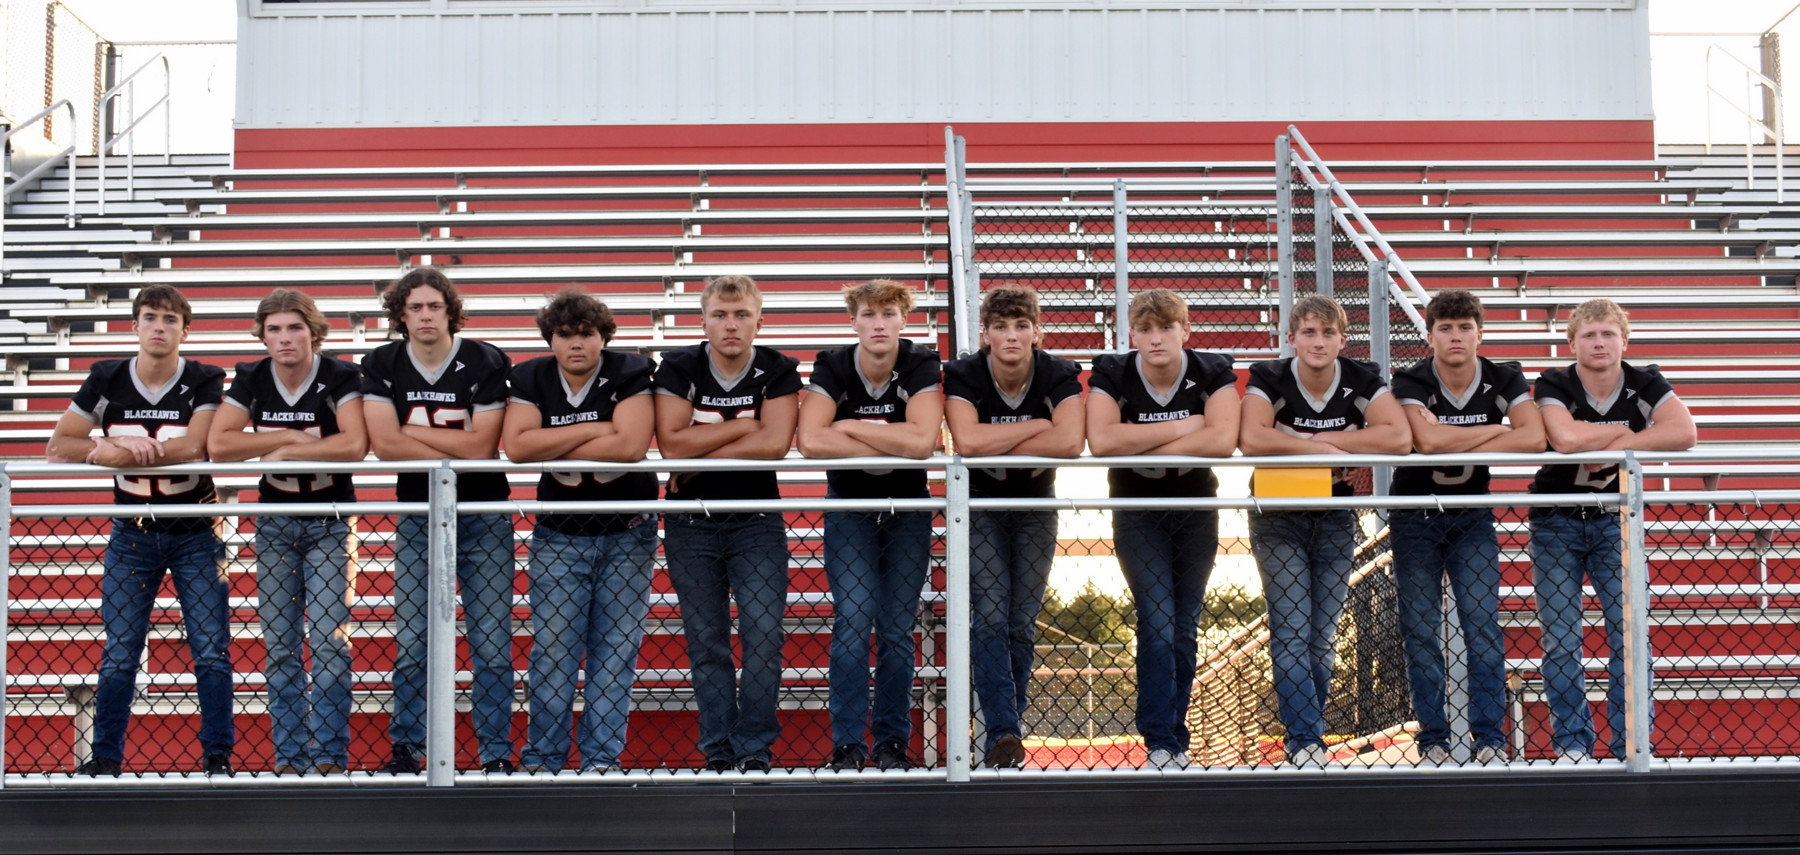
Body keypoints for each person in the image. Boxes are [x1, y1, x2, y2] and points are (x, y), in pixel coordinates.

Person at [48, 284, 235, 777]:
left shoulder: (204, 378)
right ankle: (105, 757)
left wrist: (117, 448)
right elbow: (58, 445)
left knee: (211, 651)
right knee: (120, 653)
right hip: (132, 533)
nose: (159, 326)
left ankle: (219, 756)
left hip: (196, 529)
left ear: (184, 330)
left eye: (170, 319)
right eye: (150, 317)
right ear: (134, 325)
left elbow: (199, 446)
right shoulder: (107, 377)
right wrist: (104, 443)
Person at [1239, 293, 1411, 767]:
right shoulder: (1269, 376)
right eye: (1308, 332)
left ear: (1342, 340)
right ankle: (1305, 740)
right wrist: (1336, 449)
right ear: (1291, 338)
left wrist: (1318, 441)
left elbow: (1397, 436)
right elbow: (1252, 437)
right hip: (1278, 511)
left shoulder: (1361, 378)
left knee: (1321, 635)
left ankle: (1306, 732)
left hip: (1335, 511)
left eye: (1328, 333)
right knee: (1292, 630)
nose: (1318, 342)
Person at [361, 266, 517, 774]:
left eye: (433, 306)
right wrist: (437, 442)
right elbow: (383, 446)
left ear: (450, 310)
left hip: (482, 513)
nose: (425, 316)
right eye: (414, 308)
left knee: (491, 642)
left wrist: (411, 433)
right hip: (419, 513)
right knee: (413, 639)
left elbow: (482, 447)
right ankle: (407, 745)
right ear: (400, 316)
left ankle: (494, 751)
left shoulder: (486, 359)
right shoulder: (382, 361)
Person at [207, 289, 368, 776]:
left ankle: (328, 756)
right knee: (279, 648)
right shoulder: (253, 375)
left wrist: (282, 453)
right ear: (262, 335)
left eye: (294, 327)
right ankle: (291, 757)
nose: (284, 338)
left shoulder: (340, 375)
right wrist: (288, 440)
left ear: (313, 332)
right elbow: (219, 444)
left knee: (327, 643)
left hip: (331, 520)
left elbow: (355, 444)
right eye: (273, 329)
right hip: (275, 523)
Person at [1530, 298, 1695, 762]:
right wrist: (1635, 438)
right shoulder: (1555, 382)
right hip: (1556, 519)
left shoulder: (1645, 380)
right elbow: (1564, 439)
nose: (1599, 342)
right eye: (1589, 334)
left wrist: (1620, 441)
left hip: (1616, 521)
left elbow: (1684, 431)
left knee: (1630, 635)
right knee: (1561, 640)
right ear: (1572, 342)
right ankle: (1572, 743)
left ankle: (1632, 741)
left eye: (1607, 333)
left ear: (1624, 339)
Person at [504, 289, 658, 774]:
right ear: (550, 340)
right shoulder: (531, 375)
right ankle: (544, 759)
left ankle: (601, 760)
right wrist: (596, 428)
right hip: (559, 534)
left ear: (603, 337)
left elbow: (632, 446)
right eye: (564, 334)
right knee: (552, 654)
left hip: (627, 532)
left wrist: (553, 440)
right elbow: (518, 448)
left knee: (615, 654)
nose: (575, 343)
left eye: (586, 334)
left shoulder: (630, 370)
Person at [1086, 289, 1239, 770]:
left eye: (1166, 328)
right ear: (1131, 335)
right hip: (1138, 510)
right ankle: (1160, 738)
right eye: (1146, 329)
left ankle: (1175, 733)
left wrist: (1142, 442)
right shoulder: (1113, 371)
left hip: (1195, 508)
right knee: (1157, 621)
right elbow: (1104, 442)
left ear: (1185, 331)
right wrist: (1183, 427)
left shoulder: (1212, 369)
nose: (1156, 339)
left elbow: (1221, 441)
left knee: (1183, 627)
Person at [653, 274, 802, 772]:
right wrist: (746, 425)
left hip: (756, 521)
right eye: (720, 315)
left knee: (764, 634)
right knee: (707, 640)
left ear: (760, 321)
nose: (731, 325)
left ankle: (753, 746)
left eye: (741, 315)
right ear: (703, 321)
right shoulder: (679, 366)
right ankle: (719, 748)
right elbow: (672, 445)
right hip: (690, 523)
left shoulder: (778, 369)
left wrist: (705, 446)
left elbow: (776, 445)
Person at [1389, 290, 1543, 767]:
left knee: (1481, 626)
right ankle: (1433, 737)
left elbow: (1535, 437)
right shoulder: (1411, 378)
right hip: (1415, 515)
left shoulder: (1503, 375)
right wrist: (1498, 429)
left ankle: (1488, 737)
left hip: (1472, 515)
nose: (1455, 337)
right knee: (1421, 630)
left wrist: (1463, 435)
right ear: (1429, 334)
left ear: (1480, 332)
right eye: (1445, 328)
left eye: (1464, 327)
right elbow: (1427, 441)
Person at [799, 279, 944, 772]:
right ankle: (847, 743)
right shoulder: (834, 364)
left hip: (908, 508)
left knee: (897, 629)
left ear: (904, 320)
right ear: (853, 321)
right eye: (868, 314)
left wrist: (851, 426)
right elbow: (811, 442)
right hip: (850, 506)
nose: (878, 323)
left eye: (888, 314)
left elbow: (924, 442)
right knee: (854, 620)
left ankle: (890, 742)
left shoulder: (920, 363)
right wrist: (891, 436)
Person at [943, 285, 1084, 770]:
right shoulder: (964, 373)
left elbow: (1069, 443)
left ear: (1037, 332)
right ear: (984, 334)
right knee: (990, 617)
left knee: (1021, 622)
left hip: (1034, 504)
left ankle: (1006, 731)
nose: (1011, 335)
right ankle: (1003, 729)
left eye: (1021, 325)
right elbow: (967, 441)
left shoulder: (1058, 372)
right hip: (980, 504)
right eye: (1001, 326)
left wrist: (997, 438)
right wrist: (1036, 427)